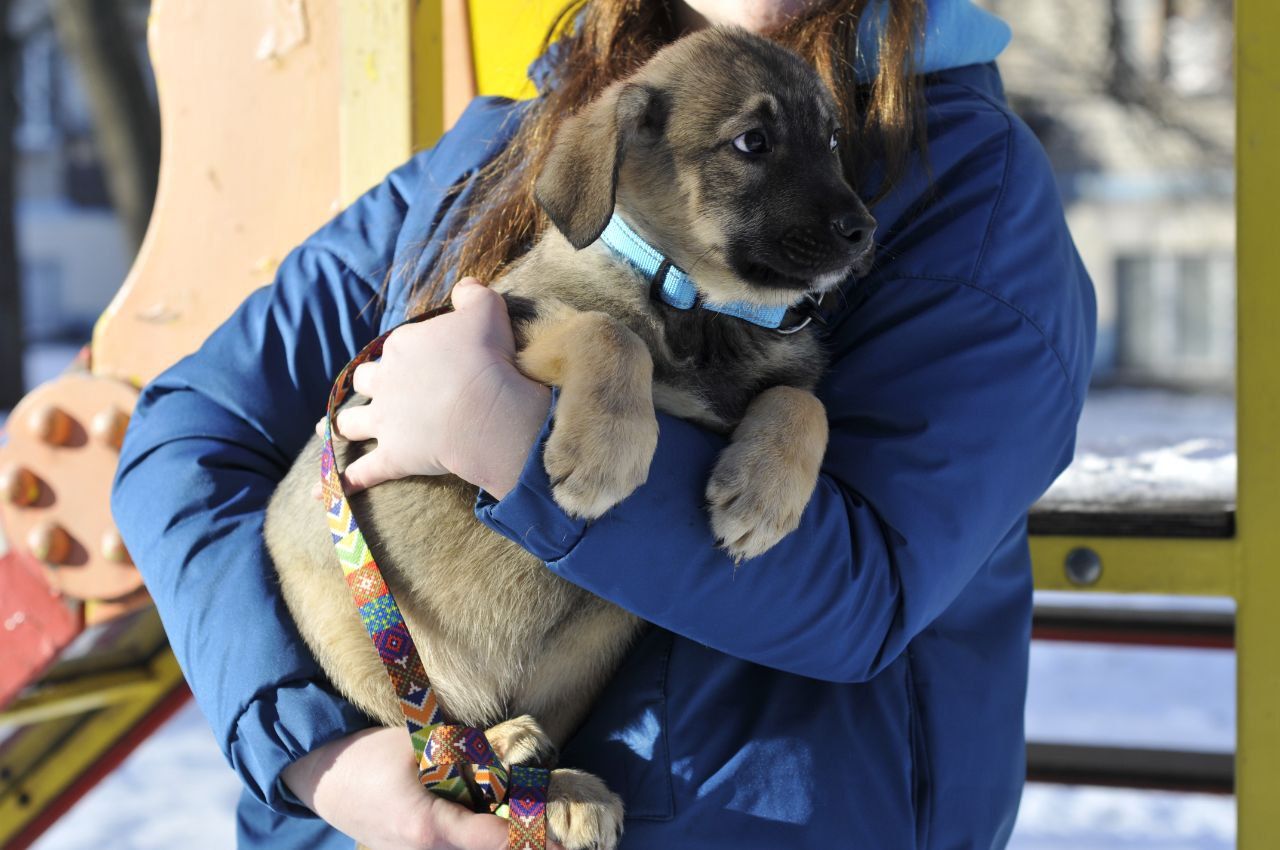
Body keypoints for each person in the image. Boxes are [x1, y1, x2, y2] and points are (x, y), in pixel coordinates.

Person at [111, 0, 1096, 848]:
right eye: (750, 144)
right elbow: (189, 432)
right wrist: (320, 751)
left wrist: (507, 438)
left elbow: (867, 592)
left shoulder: (969, 191)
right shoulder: (498, 151)